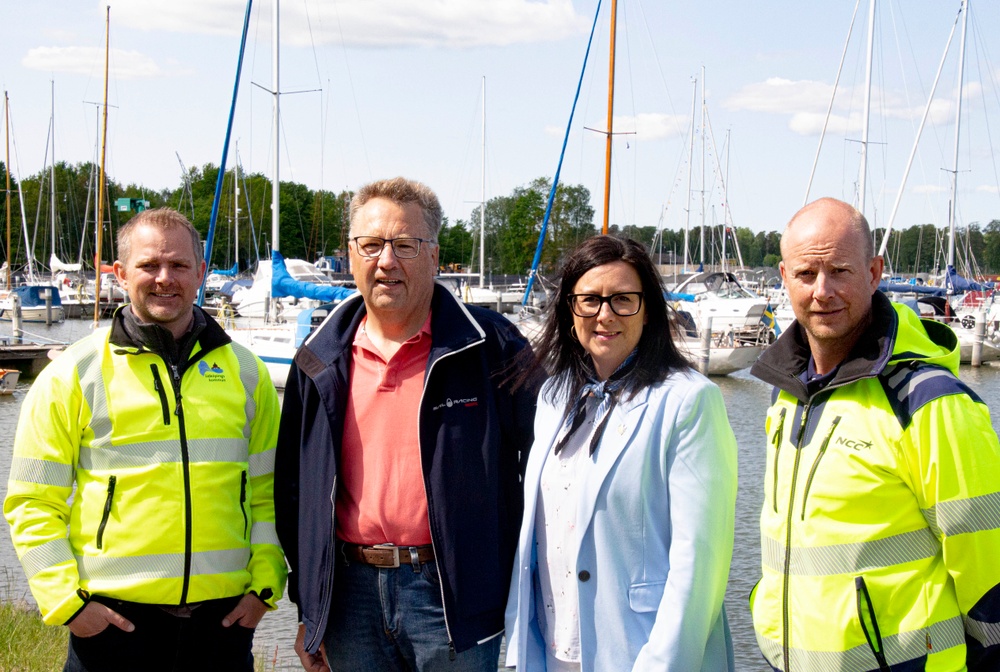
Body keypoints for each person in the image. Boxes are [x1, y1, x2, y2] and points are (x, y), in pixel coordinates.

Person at [274, 177, 541, 671]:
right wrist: (309, 606)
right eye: (371, 245)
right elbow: (293, 492)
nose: (386, 261)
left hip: (452, 595)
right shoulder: (317, 361)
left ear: (435, 256)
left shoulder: (493, 348)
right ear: (351, 255)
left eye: (405, 245)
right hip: (348, 596)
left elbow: (550, 466)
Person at [3, 208, 286, 672]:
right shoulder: (72, 374)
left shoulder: (248, 372)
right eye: (149, 265)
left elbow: (267, 495)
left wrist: (264, 588)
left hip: (224, 624)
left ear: (201, 272)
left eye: (178, 266)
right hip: (112, 626)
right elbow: (32, 503)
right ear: (119, 273)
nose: (164, 279)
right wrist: (68, 604)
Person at [750, 197, 1000, 671]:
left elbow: (990, 567)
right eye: (806, 274)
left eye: (840, 271)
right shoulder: (788, 395)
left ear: (873, 272)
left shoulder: (930, 403)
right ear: (784, 277)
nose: (822, 291)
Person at [504, 235, 738, 671]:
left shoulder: (689, 402)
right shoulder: (555, 397)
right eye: (589, 300)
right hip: (555, 649)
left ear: (647, 310)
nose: (605, 314)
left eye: (623, 300)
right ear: (569, 310)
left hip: (637, 651)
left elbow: (699, 563)